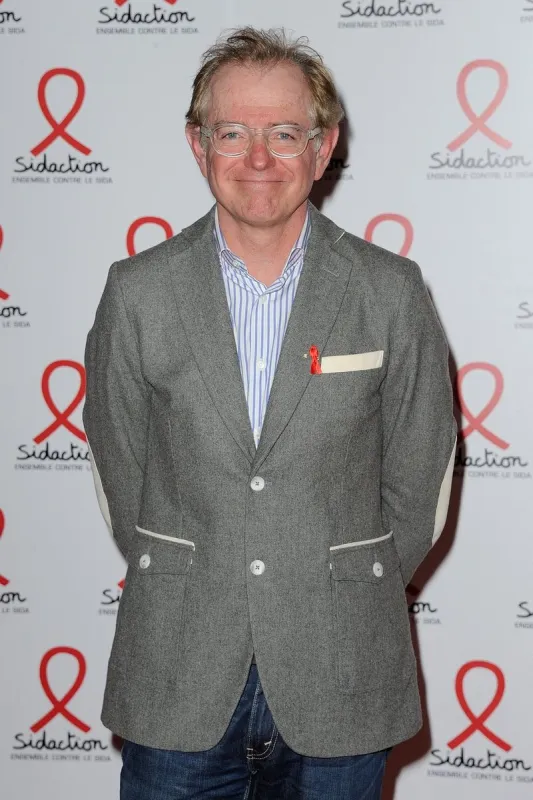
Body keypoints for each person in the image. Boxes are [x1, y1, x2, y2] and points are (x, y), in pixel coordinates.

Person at [83, 26, 457, 800]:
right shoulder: (137, 292)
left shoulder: (390, 291)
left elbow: (419, 479)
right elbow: (124, 475)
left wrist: (346, 581)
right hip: (177, 674)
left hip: (341, 671)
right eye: (233, 133)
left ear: (323, 149)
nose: (258, 159)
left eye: (284, 134)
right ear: (198, 144)